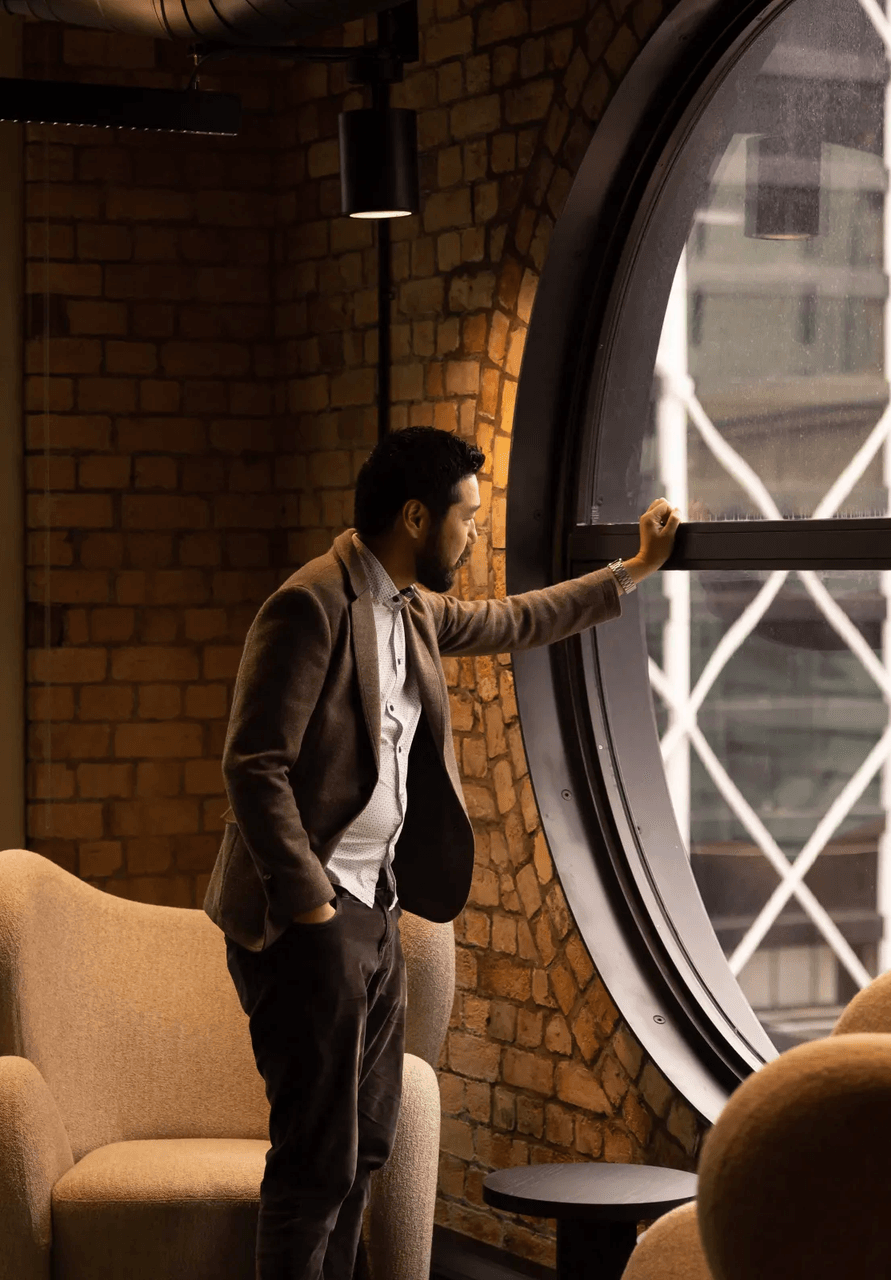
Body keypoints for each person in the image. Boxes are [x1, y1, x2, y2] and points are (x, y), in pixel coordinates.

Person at [204, 426, 680, 1280]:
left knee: (366, 1149)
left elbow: (515, 619)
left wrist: (632, 572)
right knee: (315, 1164)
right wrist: (310, 903)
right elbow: (253, 763)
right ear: (417, 516)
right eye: (466, 517)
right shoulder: (312, 604)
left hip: (377, 911)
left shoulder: (412, 609)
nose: (472, 535)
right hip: (311, 920)